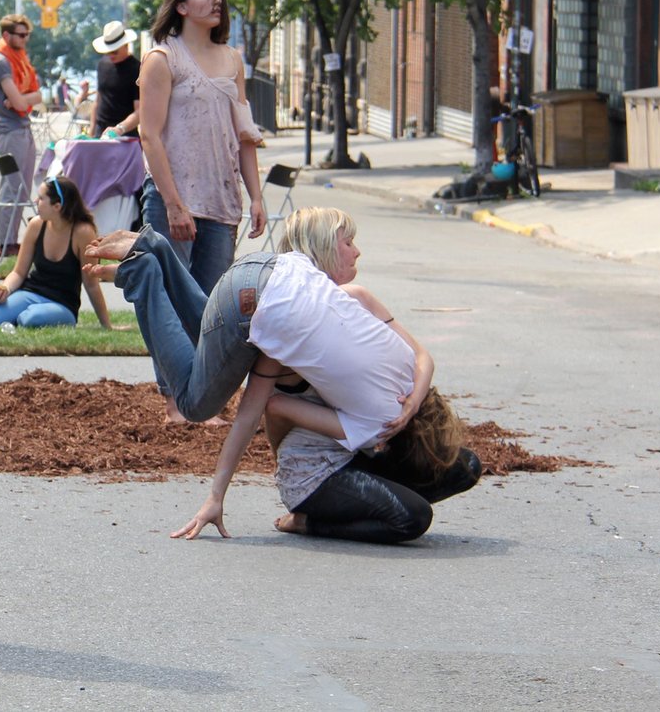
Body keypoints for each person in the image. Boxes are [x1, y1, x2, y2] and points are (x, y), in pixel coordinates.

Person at [86, 206, 478, 541]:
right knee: (194, 404)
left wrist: (414, 400)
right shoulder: (377, 422)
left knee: (212, 344)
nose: (357, 250)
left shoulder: (362, 315)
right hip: (251, 304)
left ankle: (155, 247)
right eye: (348, 243)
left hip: (263, 267)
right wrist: (215, 497)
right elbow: (254, 412)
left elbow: (424, 358)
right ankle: (142, 273)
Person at [137, 0, 265, 300]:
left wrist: (256, 198)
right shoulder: (162, 59)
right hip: (171, 199)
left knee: (212, 310)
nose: (217, 0)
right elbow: (149, 136)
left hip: (222, 201)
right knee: (170, 305)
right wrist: (174, 205)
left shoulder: (232, 59)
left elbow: (245, 134)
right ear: (181, 6)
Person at [0, 175, 114, 330]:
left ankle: (17, 319)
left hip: (62, 305)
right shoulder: (36, 225)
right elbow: (19, 273)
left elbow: (91, 285)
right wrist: (6, 289)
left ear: (57, 206)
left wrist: (107, 325)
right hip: (29, 294)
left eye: (41, 198)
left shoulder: (83, 232)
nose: (36, 201)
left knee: (30, 318)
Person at [0, 13, 42, 256]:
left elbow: (35, 97)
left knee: (22, 189)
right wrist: (25, 99)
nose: (25, 39)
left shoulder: (20, 59)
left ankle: (12, 241)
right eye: (21, 35)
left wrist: (24, 99)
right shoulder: (0, 61)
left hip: (22, 129)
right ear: (7, 35)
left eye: (27, 34)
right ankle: (5, 243)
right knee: (12, 187)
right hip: (8, 134)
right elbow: (19, 102)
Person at [90, 20, 141, 138]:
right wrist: (91, 129)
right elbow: (98, 99)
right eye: (107, 51)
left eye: (114, 51)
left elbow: (140, 110)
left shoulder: (136, 69)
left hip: (125, 135)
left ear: (126, 45)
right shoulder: (102, 64)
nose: (110, 55)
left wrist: (120, 129)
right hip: (100, 132)